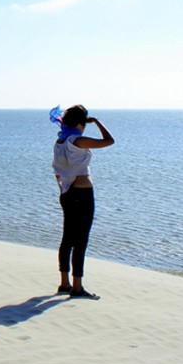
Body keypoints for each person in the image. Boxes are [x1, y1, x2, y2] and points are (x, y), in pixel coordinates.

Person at [52, 105, 114, 299]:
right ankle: (77, 287)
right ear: (81, 123)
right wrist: (96, 122)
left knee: (67, 238)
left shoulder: (60, 140)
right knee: (81, 240)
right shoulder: (78, 141)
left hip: (66, 192)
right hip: (82, 193)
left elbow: (57, 171)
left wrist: (63, 189)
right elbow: (109, 141)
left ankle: (64, 283)